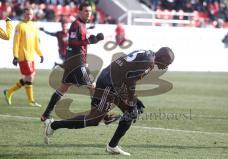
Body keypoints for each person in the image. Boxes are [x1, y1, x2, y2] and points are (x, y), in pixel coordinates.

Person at [43, 47, 175, 156]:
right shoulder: (149, 62)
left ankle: (113, 145)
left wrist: (134, 99)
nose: (166, 67)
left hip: (112, 81)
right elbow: (130, 80)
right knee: (94, 119)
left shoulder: (148, 54)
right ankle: (54, 125)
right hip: (109, 83)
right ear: (162, 57)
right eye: (167, 63)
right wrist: (131, 100)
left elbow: (126, 74)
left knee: (132, 113)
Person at [40, 2, 118, 125]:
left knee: (62, 88)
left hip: (72, 62)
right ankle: (104, 117)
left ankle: (45, 114)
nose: (88, 13)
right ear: (79, 12)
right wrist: (89, 41)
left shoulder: (82, 24)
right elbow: (72, 42)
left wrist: (93, 39)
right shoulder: (76, 24)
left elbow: (80, 41)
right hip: (77, 62)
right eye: (86, 11)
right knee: (93, 87)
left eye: (90, 11)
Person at [3, 8, 44, 107]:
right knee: (29, 76)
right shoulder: (19, 26)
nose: (28, 16)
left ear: (32, 15)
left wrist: (40, 54)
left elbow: (36, 43)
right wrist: (15, 56)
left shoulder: (33, 26)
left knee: (30, 77)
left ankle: (9, 92)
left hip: (31, 56)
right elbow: (16, 42)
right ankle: (30, 100)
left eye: (30, 14)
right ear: (23, 15)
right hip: (23, 55)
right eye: (26, 14)